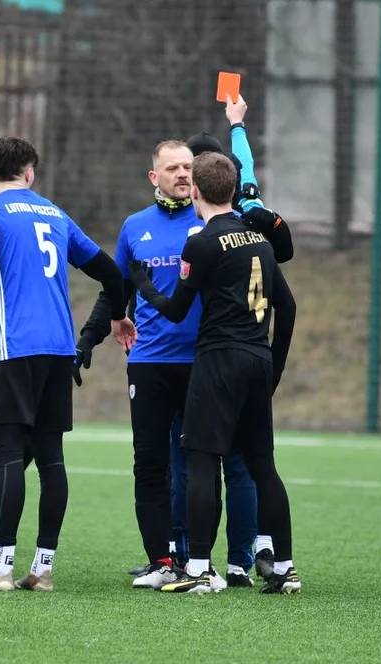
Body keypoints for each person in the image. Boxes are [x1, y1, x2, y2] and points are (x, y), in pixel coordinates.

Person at [0, 137, 134, 592]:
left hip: (16, 347)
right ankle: (43, 568)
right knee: (51, 458)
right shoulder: (54, 212)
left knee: (8, 452)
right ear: (30, 173)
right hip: (60, 348)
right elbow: (112, 273)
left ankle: (0, 567)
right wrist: (117, 315)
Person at [74, 139, 259, 590]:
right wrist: (90, 338)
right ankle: (161, 559)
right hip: (149, 362)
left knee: (202, 466)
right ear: (153, 177)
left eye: (187, 167)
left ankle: (202, 562)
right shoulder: (135, 226)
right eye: (172, 168)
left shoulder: (214, 226)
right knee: (149, 464)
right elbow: (116, 288)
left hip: (204, 362)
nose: (182, 173)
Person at [128, 152, 300, 595]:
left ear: (197, 191)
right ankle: (285, 568)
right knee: (263, 466)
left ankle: (200, 569)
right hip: (257, 360)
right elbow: (289, 306)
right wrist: (275, 366)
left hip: (218, 361)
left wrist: (144, 286)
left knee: (202, 461)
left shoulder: (203, 243)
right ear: (234, 190)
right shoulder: (260, 240)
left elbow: (176, 309)